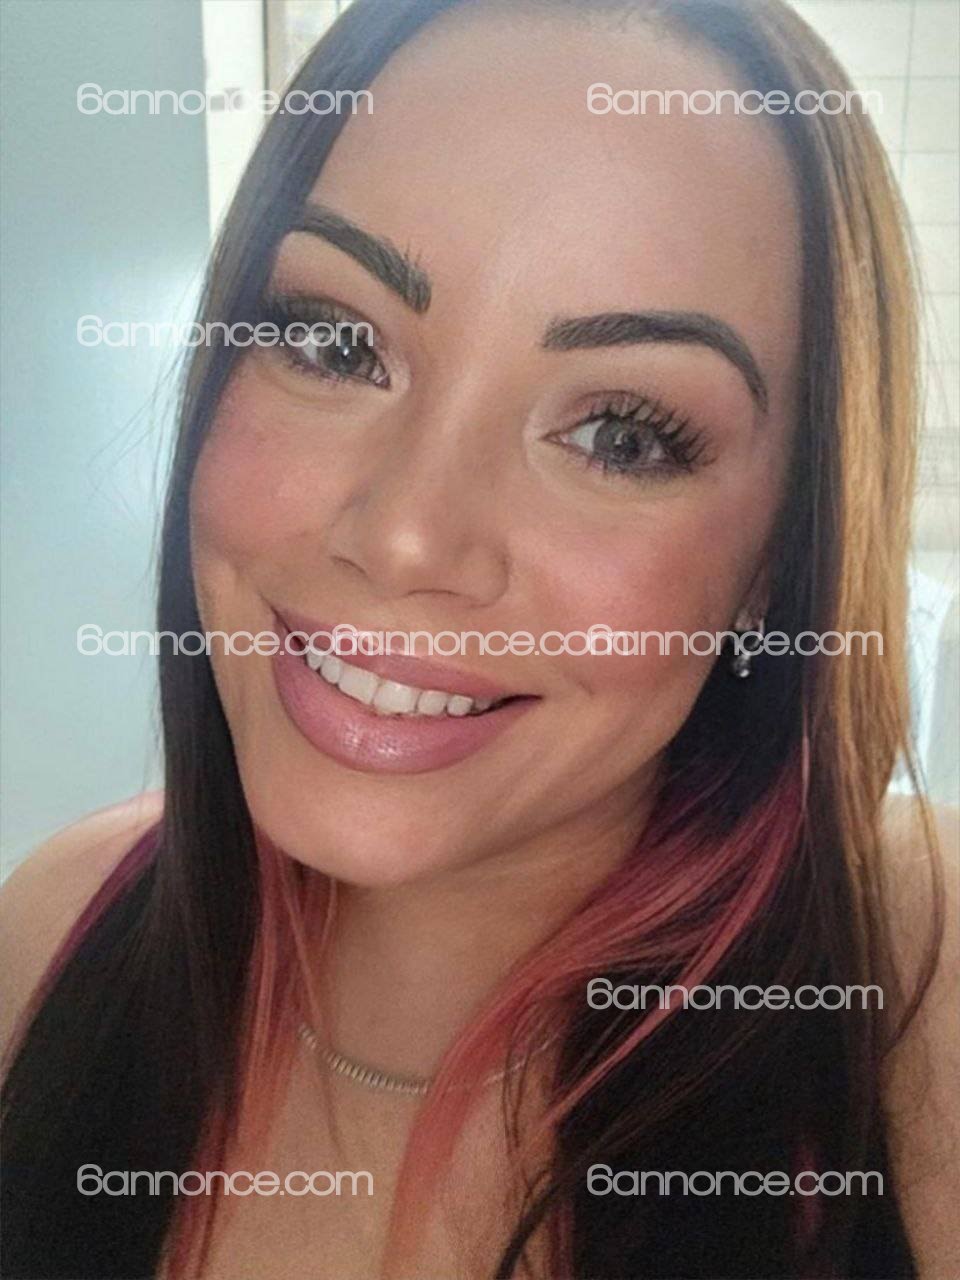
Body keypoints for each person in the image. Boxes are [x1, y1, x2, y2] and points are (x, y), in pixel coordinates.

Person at [2, 1, 957, 1276]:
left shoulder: (917, 988)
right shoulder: (50, 929)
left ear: (779, 562)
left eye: (621, 434)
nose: (406, 536)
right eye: (336, 342)